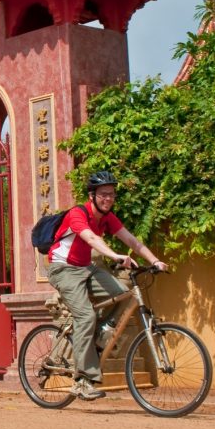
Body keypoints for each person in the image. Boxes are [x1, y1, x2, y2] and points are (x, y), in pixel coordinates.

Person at [46, 170, 168, 401]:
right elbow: (92, 239)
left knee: (121, 294)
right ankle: (82, 381)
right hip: (62, 268)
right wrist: (115, 256)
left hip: (85, 268)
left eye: (111, 194)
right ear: (92, 196)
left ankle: (95, 337)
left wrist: (155, 261)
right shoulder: (77, 214)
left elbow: (131, 240)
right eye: (103, 194)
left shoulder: (108, 218)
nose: (108, 199)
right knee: (85, 317)